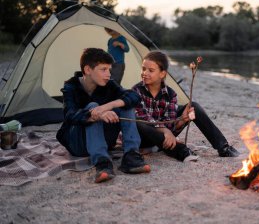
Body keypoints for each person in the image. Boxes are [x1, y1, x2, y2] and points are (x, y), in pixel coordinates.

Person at [56, 48, 150, 184]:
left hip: (105, 140)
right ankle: (102, 163)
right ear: (88, 70)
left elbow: (134, 96)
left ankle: (131, 155)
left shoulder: (109, 84)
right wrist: (96, 114)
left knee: (125, 104)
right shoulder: (71, 87)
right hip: (78, 142)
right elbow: (70, 115)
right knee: (92, 105)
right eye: (103, 69)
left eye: (109, 70)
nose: (108, 74)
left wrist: (107, 106)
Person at [132, 51, 240, 162]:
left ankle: (223, 147)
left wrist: (182, 120)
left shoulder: (171, 94)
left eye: (150, 70)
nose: (145, 73)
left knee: (194, 106)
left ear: (162, 74)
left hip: (166, 136)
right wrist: (166, 131)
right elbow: (145, 118)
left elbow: (169, 124)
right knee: (138, 121)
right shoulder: (136, 91)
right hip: (144, 138)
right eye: (143, 69)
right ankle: (181, 151)